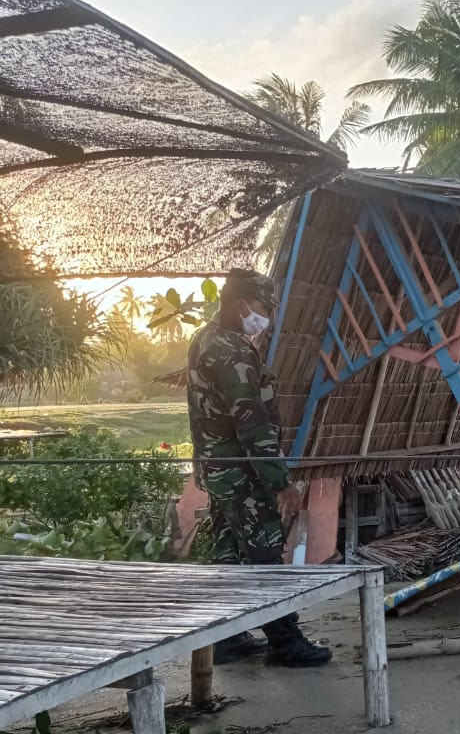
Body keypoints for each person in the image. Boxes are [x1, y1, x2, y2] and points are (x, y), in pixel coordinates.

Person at [187, 268, 332, 667]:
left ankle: (228, 636)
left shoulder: (208, 339)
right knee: (265, 551)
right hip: (242, 474)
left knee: (228, 551)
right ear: (242, 304)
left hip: (220, 470)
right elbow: (250, 421)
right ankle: (284, 641)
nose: (267, 314)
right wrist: (279, 480)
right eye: (265, 306)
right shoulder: (230, 351)